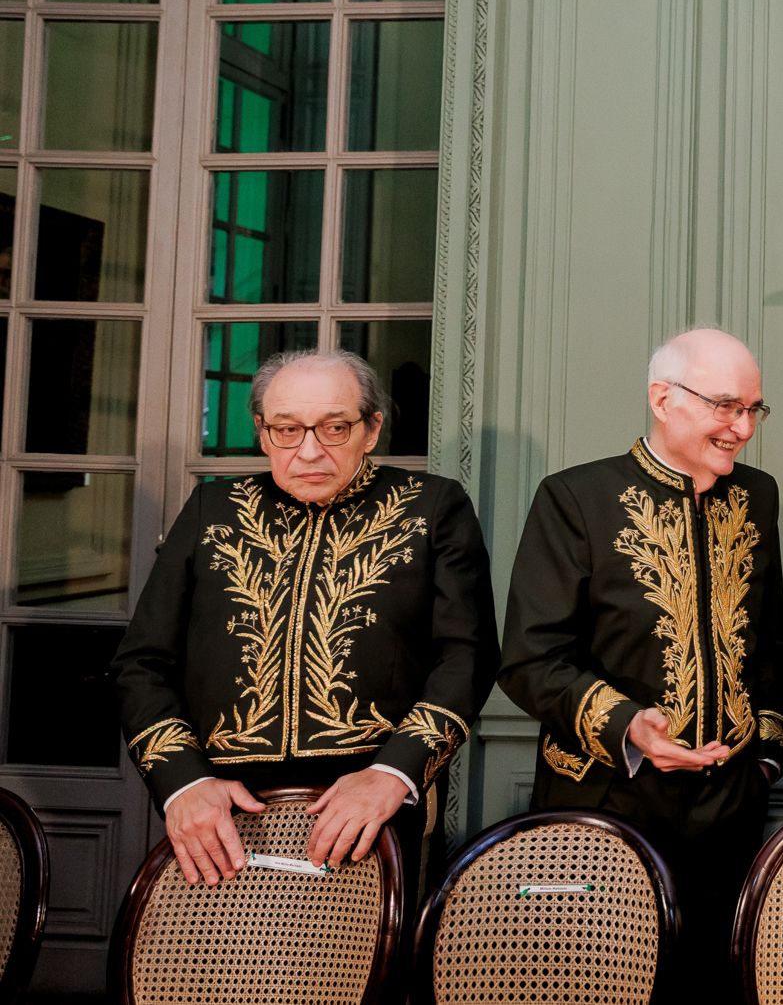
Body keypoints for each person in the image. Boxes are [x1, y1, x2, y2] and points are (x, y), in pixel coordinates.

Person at [113, 349, 497, 891]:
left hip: (367, 808)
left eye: (335, 428)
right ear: (262, 433)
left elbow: (467, 656)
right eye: (287, 430)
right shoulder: (211, 509)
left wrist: (392, 775)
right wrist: (182, 784)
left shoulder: (431, 507)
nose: (310, 451)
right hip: (219, 812)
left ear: (371, 429)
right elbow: (142, 663)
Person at [498, 328, 783, 1005]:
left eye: (753, 408)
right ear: (663, 399)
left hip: (729, 807)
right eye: (726, 406)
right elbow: (530, 658)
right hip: (604, 799)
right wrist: (628, 725)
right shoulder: (575, 497)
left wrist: (765, 760)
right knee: (595, 988)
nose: (743, 428)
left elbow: (769, 644)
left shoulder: (757, 495)